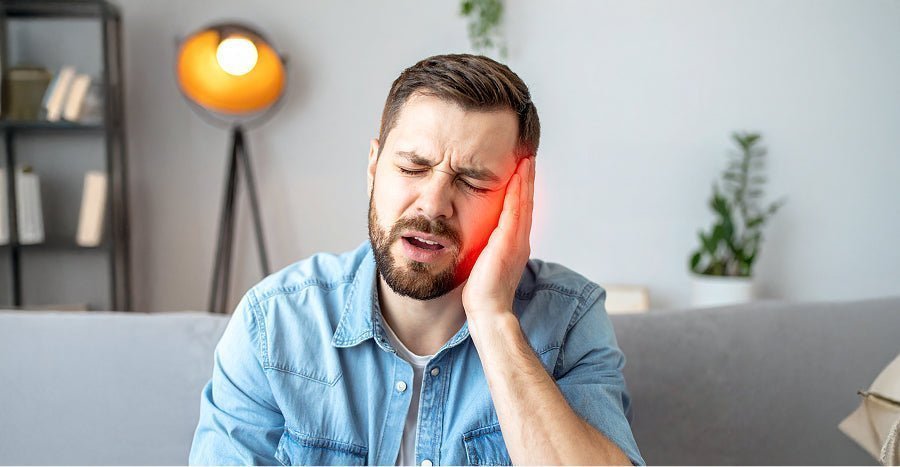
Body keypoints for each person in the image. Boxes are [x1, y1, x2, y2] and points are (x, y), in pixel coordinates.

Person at [189, 53, 644, 466]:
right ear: (373, 168)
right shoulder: (272, 323)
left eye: (473, 181)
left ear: (517, 200)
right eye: (412, 167)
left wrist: (492, 319)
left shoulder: (570, 319)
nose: (433, 204)